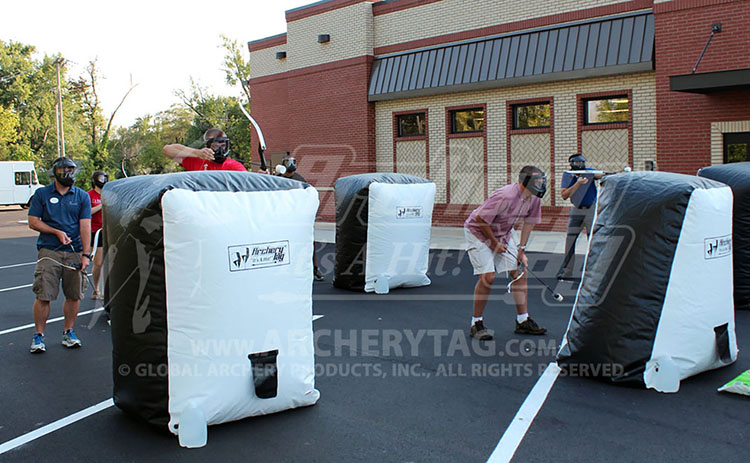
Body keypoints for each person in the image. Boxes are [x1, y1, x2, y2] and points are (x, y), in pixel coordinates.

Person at [464, 165, 548, 341]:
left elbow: (529, 223)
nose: (541, 184)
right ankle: (476, 323)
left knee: (519, 272)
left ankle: (523, 321)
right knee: (488, 277)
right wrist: (494, 244)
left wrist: (521, 250)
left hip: (504, 232)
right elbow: (480, 219)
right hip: (478, 232)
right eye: (537, 181)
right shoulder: (505, 195)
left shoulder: (534, 198)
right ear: (525, 182)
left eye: (542, 180)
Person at [28, 157, 92, 353]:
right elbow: (33, 221)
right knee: (44, 294)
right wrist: (55, 231)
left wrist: (86, 255)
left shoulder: (81, 196)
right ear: (55, 172)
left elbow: (85, 225)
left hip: (74, 252)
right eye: (64, 170)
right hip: (49, 251)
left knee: (74, 295)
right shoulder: (42, 194)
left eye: (71, 169)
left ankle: (69, 332)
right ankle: (38, 336)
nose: (68, 173)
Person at [276, 154, 325, 281]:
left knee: (309, 242)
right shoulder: (276, 179)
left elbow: (307, 198)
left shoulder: (300, 180)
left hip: (298, 216)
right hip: (282, 217)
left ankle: (314, 269)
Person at [557, 154, 603, 280]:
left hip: (590, 209)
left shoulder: (588, 172)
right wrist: (578, 183)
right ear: (572, 164)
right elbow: (564, 195)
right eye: (578, 163)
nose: (581, 165)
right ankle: (567, 271)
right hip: (576, 209)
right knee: (570, 240)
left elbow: (601, 175)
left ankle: (594, 272)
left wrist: (618, 173)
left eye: (582, 163)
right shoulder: (568, 175)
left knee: (593, 241)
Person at [163, 128, 247, 171]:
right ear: (208, 146)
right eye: (216, 146)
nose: (220, 150)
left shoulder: (234, 165)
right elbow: (168, 150)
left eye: (223, 146)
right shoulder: (196, 161)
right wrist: (197, 153)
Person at [88, 170, 108, 299]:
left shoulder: (108, 194)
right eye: (101, 178)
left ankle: (107, 290)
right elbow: (87, 212)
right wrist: (101, 206)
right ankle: (96, 289)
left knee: (110, 261)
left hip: (108, 230)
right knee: (98, 263)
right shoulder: (89, 195)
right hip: (95, 232)